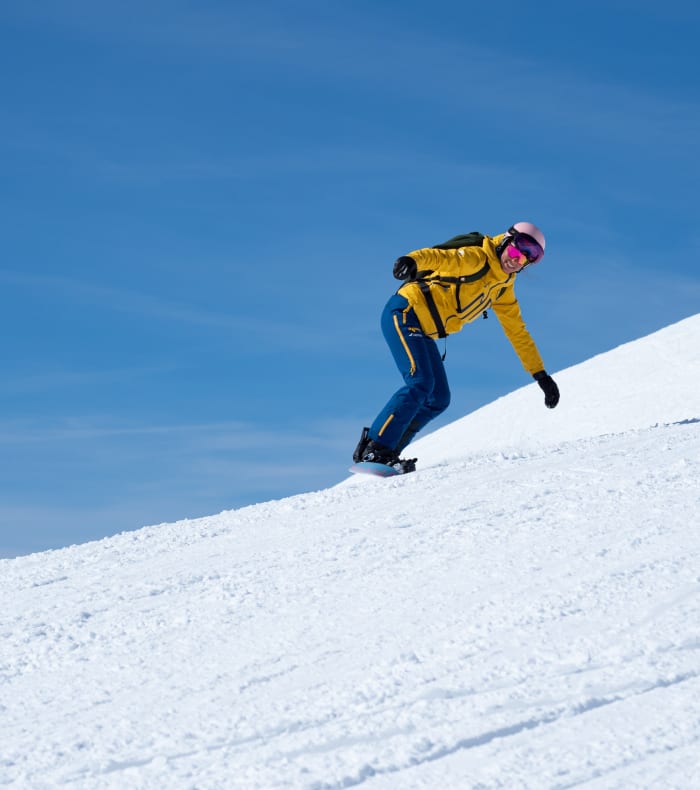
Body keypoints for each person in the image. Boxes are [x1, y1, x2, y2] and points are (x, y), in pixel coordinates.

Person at [353, 221, 560, 473]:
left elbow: (518, 332)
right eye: (518, 250)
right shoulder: (477, 258)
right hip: (405, 311)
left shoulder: (503, 288)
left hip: (424, 331)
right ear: (506, 241)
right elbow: (439, 258)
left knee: (439, 398)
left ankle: (389, 451)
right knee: (420, 383)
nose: (518, 260)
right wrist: (411, 261)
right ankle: (375, 447)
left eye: (529, 258)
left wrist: (540, 375)